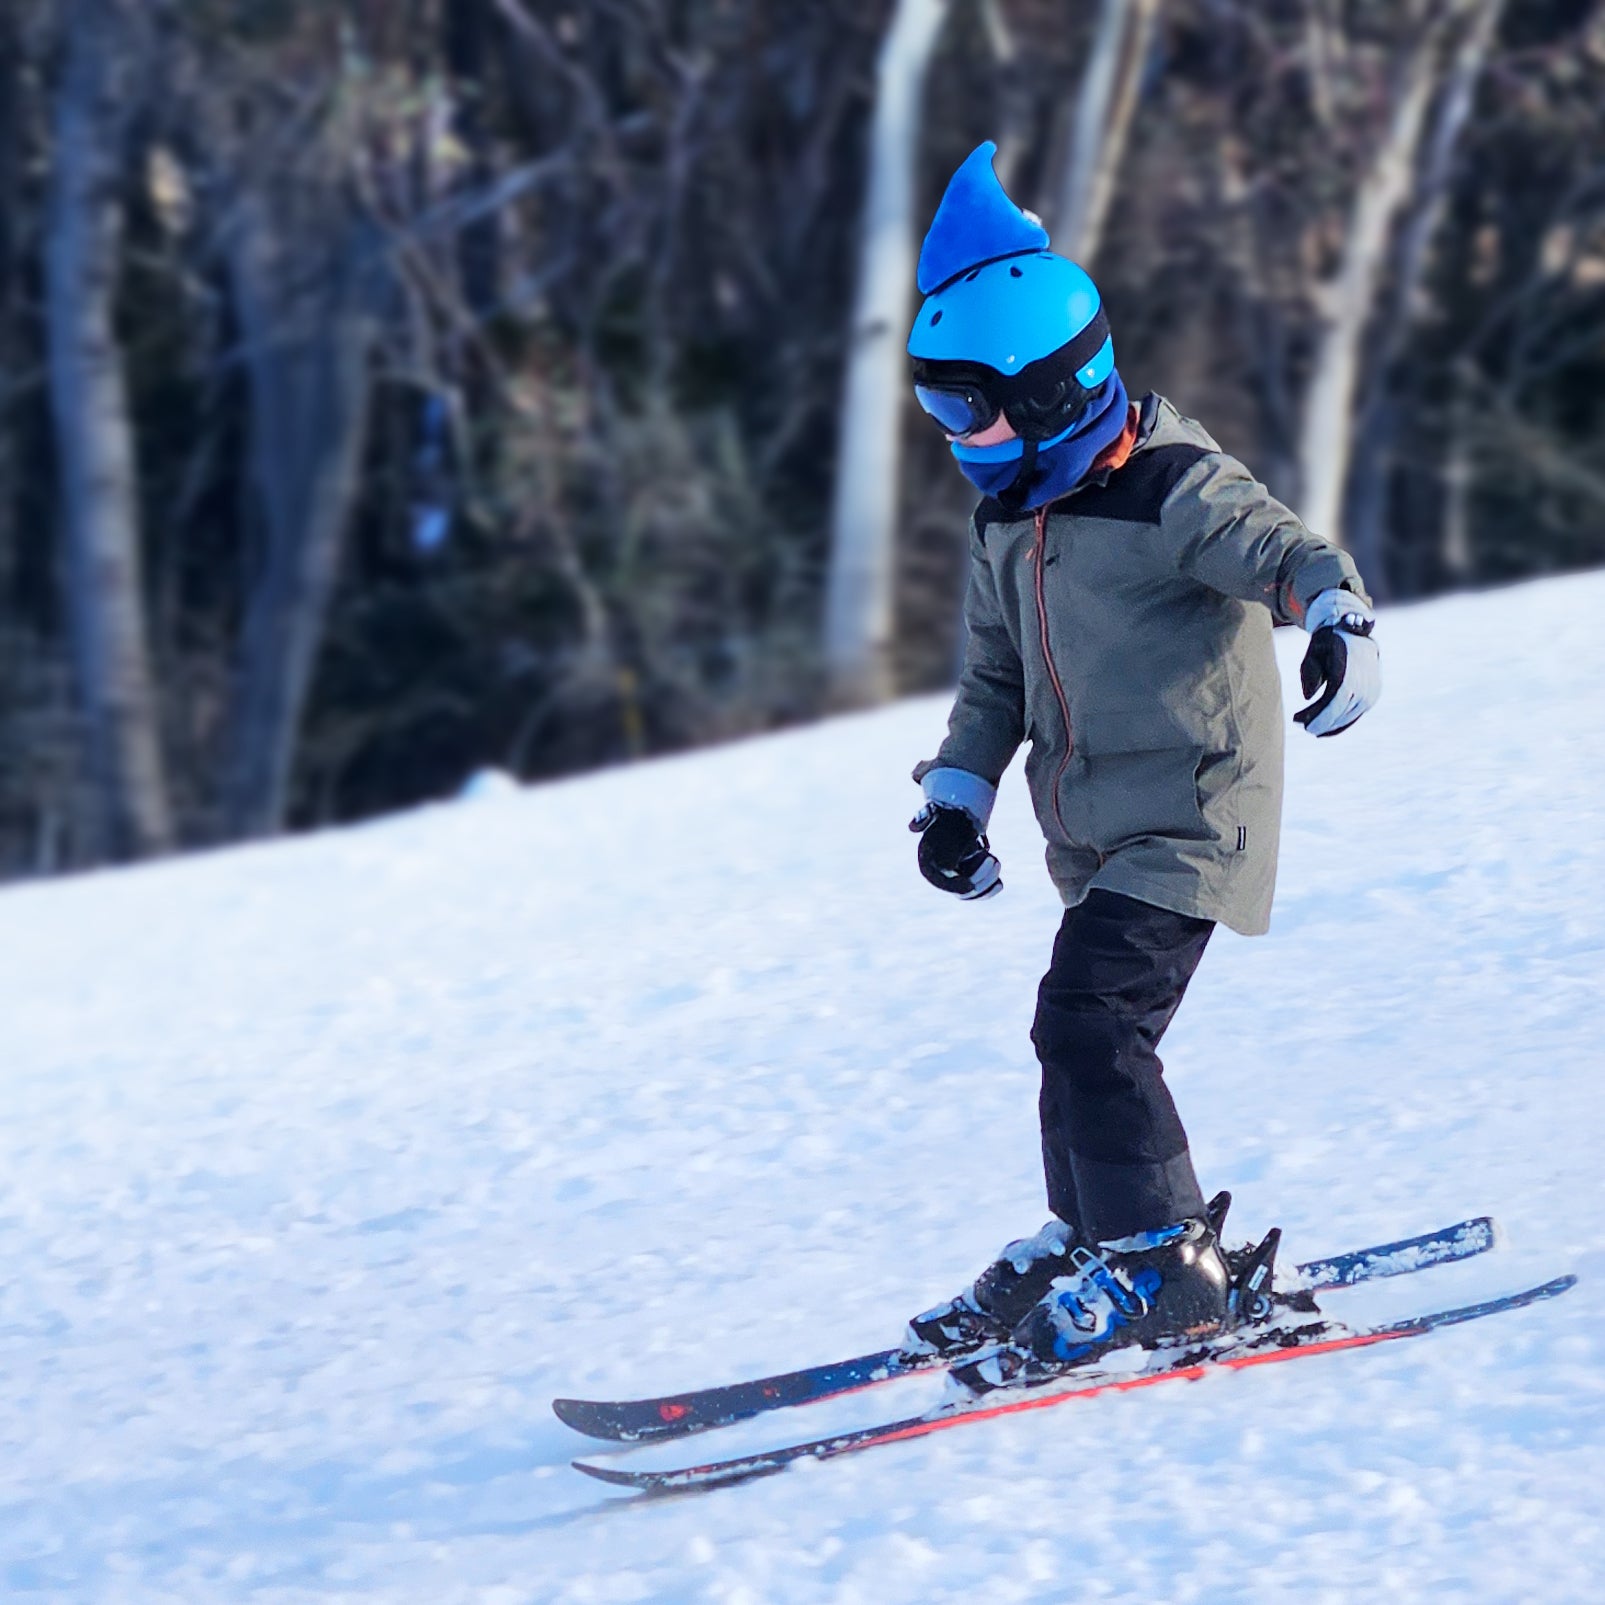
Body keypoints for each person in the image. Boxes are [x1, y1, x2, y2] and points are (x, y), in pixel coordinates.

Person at [901, 143, 1381, 1393]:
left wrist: (1338, 616)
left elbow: (1278, 548)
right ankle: (1092, 1236)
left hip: (1194, 813)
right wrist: (958, 792)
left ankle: (1164, 1262)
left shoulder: (1171, 489)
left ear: (1056, 393)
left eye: (970, 406)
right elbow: (996, 678)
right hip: (1103, 829)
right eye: (937, 408)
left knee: (1092, 1020)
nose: (955, 436)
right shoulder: (1011, 519)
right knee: (1073, 1027)